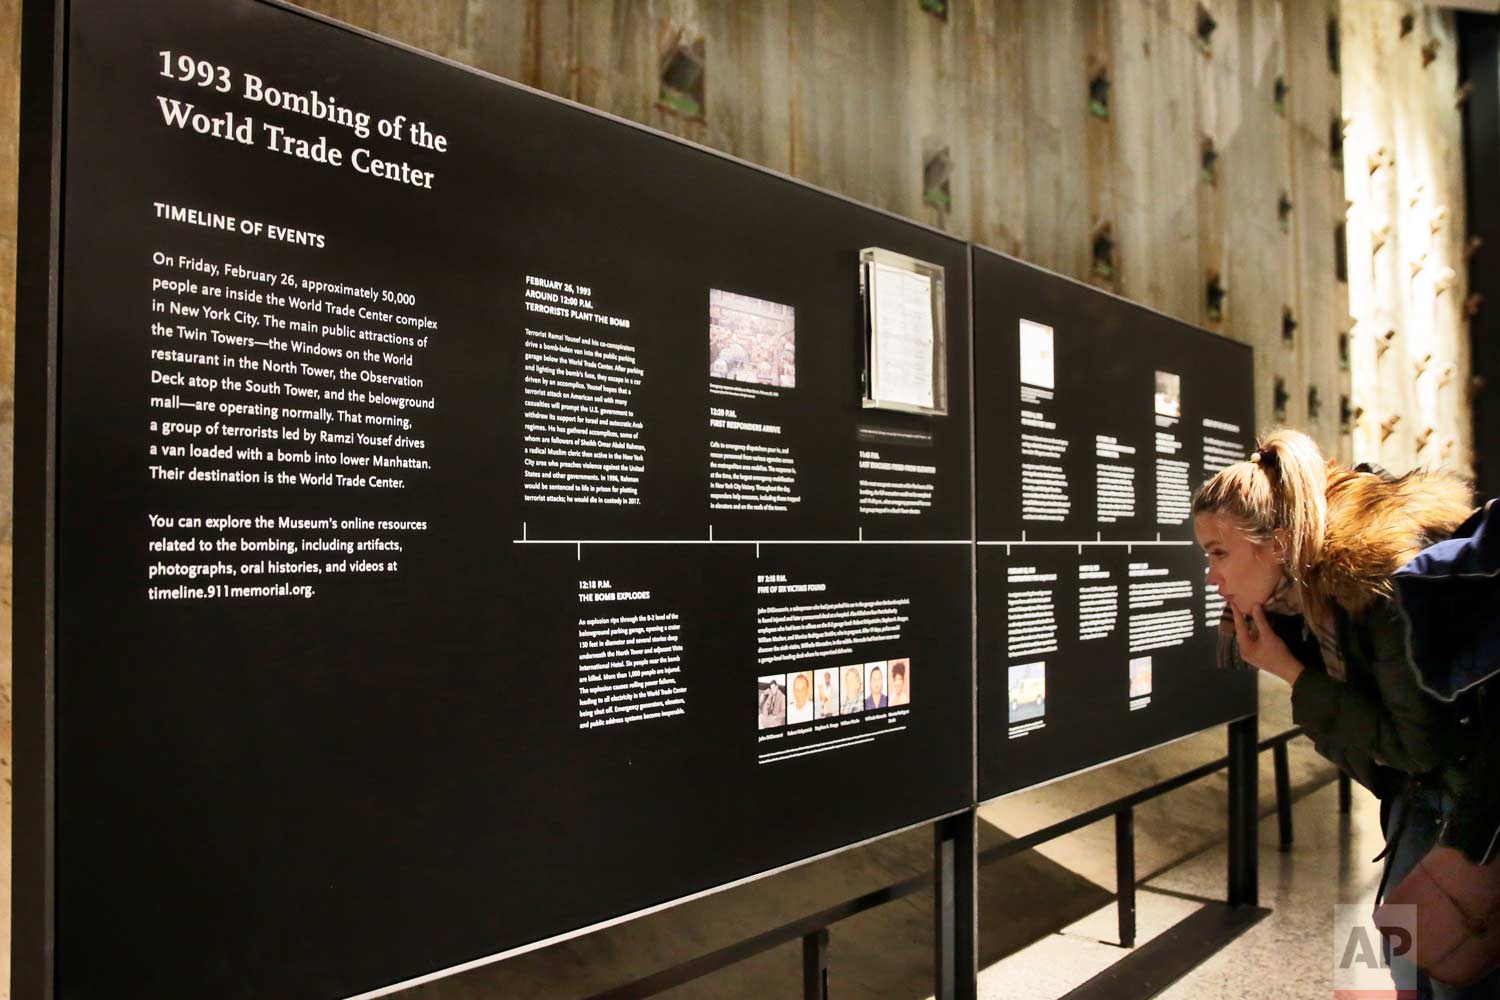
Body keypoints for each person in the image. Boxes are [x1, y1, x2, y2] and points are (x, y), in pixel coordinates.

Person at [1192, 429, 1488, 999]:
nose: (1212, 577)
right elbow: (1370, 750)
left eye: (1218, 553)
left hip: (1467, 814)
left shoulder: (1376, 583)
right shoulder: (1302, 599)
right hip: (1417, 808)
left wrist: (1292, 674)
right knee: (1375, 972)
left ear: (1276, 544)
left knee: (1438, 975)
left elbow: (1417, 746)